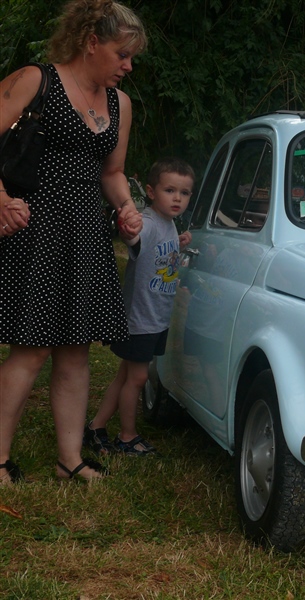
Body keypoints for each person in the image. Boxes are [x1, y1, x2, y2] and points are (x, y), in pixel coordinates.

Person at [0, 0, 147, 484]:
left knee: (76, 349)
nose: (128, 66)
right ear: (92, 42)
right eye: (122, 54)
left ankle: (69, 460)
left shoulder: (120, 105)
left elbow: (113, 171)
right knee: (32, 349)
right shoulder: (34, 80)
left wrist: (125, 207)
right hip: (34, 229)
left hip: (86, 234)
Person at [84, 158, 194, 456]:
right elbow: (135, 238)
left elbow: (158, 257)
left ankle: (96, 426)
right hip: (139, 318)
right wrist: (127, 228)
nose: (177, 198)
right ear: (150, 191)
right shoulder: (146, 221)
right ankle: (127, 436)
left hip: (155, 318)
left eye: (184, 193)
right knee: (137, 378)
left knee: (125, 375)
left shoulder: (168, 224)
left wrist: (179, 244)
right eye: (170, 190)